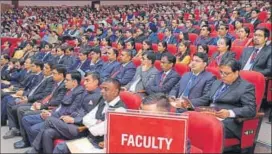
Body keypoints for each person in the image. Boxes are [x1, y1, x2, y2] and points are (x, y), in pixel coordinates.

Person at [25, 72, 102, 154]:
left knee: (49, 120)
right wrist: (70, 117)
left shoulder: (99, 96)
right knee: (47, 132)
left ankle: (35, 150)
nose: (85, 83)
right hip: (72, 123)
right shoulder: (86, 93)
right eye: (85, 80)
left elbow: (91, 118)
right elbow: (77, 110)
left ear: (96, 82)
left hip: (80, 128)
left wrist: (73, 119)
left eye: (87, 80)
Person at [52, 78, 127, 154]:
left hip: (102, 146)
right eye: (102, 88)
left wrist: (92, 124)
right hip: (90, 140)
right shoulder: (103, 102)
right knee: (60, 147)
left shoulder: (120, 110)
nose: (102, 91)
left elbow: (96, 131)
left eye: (106, 89)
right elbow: (85, 119)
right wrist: (97, 122)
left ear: (115, 92)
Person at [192, 58, 256, 140]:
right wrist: (188, 102)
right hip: (210, 115)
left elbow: (251, 109)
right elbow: (206, 98)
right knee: (189, 120)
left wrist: (229, 113)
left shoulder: (246, 87)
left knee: (201, 129)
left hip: (228, 122)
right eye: (221, 72)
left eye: (226, 73)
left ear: (236, 72)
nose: (222, 75)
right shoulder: (217, 82)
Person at [13, 65, 67, 149]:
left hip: (50, 108)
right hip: (45, 104)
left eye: (54, 73)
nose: (52, 75)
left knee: (23, 112)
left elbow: (56, 101)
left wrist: (41, 105)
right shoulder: (56, 83)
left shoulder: (63, 85)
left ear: (61, 75)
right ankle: (28, 141)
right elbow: (48, 96)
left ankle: (30, 142)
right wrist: (39, 102)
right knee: (20, 110)